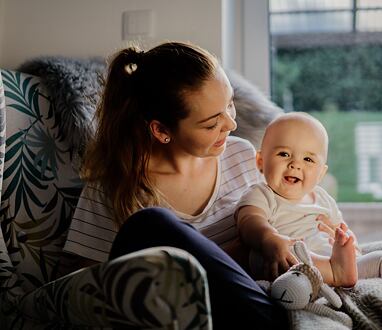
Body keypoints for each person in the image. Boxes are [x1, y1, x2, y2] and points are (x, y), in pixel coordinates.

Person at [63, 41, 288, 330]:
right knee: (149, 224)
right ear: (161, 130)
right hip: (176, 316)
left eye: (229, 104)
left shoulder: (241, 156)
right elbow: (84, 284)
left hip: (257, 300)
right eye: (211, 124)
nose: (231, 124)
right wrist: (237, 250)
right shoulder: (117, 188)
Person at [235, 112, 382, 289]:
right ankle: (335, 272)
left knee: (379, 260)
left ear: (321, 173)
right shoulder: (261, 194)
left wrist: (346, 240)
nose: (295, 164)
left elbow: (339, 229)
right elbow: (249, 222)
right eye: (284, 154)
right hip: (286, 265)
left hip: (336, 263)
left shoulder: (322, 199)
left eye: (308, 159)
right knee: (289, 256)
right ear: (260, 161)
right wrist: (270, 238)